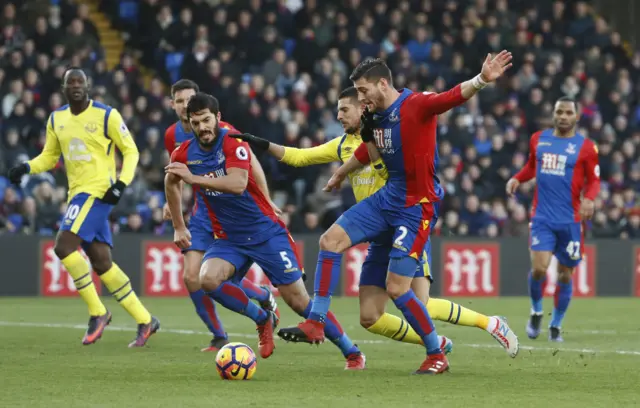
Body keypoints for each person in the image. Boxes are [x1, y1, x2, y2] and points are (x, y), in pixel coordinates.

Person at [238, 86, 518, 357]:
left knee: (421, 304)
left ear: (363, 108)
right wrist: (259, 143)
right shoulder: (343, 145)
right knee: (370, 317)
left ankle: (489, 323)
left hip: (405, 223)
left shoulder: (386, 137)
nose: (339, 116)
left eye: (345, 109)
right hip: (378, 229)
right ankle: (436, 342)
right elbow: (298, 157)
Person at [165, 92, 366, 369]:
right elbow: (171, 181)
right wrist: (178, 225)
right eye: (196, 122)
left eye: (207, 120)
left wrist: (194, 178)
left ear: (218, 118)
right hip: (229, 238)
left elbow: (238, 183)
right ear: (189, 123)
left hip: (265, 232)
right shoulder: (184, 152)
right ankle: (262, 319)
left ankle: (352, 352)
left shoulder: (232, 141)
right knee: (207, 280)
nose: (202, 127)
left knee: (298, 301)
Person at [8, 67, 159, 347]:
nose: (76, 86)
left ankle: (98, 312)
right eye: (71, 82)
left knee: (63, 246)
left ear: (87, 86)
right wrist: (27, 167)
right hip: (77, 194)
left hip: (99, 193)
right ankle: (145, 319)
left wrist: (121, 183)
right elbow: (50, 157)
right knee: (102, 263)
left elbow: (131, 150)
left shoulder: (106, 115)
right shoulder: (57, 119)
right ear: (64, 88)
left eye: (80, 81)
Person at [163, 79, 278, 352]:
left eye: (189, 100)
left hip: (233, 212)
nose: (185, 105)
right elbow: (176, 173)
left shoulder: (224, 132)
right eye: (180, 101)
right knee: (193, 277)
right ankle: (220, 334)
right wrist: (173, 205)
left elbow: (250, 162)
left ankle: (263, 296)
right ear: (175, 106)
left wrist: (268, 199)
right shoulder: (172, 135)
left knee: (219, 276)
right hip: (203, 211)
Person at [506, 96, 600, 342]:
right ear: (553, 113)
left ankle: (555, 324)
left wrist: (589, 198)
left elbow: (594, 180)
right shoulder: (539, 139)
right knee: (539, 269)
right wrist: (517, 178)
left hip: (570, 220)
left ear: (577, 116)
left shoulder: (587, 147)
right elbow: (530, 167)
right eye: (559, 112)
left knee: (565, 275)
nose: (563, 117)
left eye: (568, 113)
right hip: (542, 217)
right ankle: (536, 311)